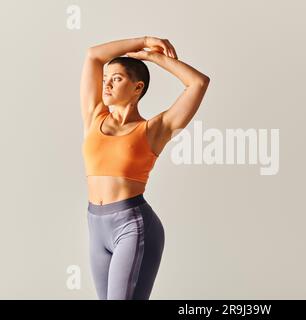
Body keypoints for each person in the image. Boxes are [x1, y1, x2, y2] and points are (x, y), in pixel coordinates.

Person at [80, 35, 210, 299]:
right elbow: (93, 55)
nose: (106, 83)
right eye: (106, 78)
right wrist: (144, 40)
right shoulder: (94, 115)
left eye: (116, 78)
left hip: (132, 225)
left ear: (137, 88)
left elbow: (198, 83)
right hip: (95, 226)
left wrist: (154, 57)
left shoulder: (153, 130)